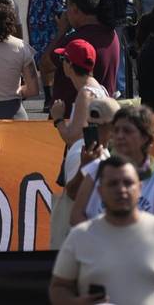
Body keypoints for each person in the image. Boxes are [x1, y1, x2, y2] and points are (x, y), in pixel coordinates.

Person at [50, 156, 154, 305]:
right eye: (113, 184)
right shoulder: (80, 235)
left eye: (128, 183)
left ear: (139, 188)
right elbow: (59, 288)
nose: (121, 189)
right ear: (100, 191)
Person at [71, 104, 154, 226]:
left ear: (145, 137)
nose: (120, 136)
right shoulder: (95, 169)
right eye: (116, 130)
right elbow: (76, 216)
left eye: (127, 131)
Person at [49, 96, 118, 251]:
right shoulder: (80, 151)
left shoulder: (102, 150)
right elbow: (72, 193)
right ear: (112, 126)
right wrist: (84, 167)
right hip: (77, 243)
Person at [43, 0, 120, 113]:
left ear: (75, 9)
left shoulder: (76, 41)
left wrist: (61, 32)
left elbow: (46, 65)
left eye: (67, 6)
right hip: (101, 114)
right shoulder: (112, 35)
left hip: (70, 119)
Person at [48, 39, 107, 146]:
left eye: (63, 59)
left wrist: (58, 118)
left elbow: (72, 139)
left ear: (70, 64)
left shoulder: (86, 94)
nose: (62, 64)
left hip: (83, 158)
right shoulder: (98, 88)